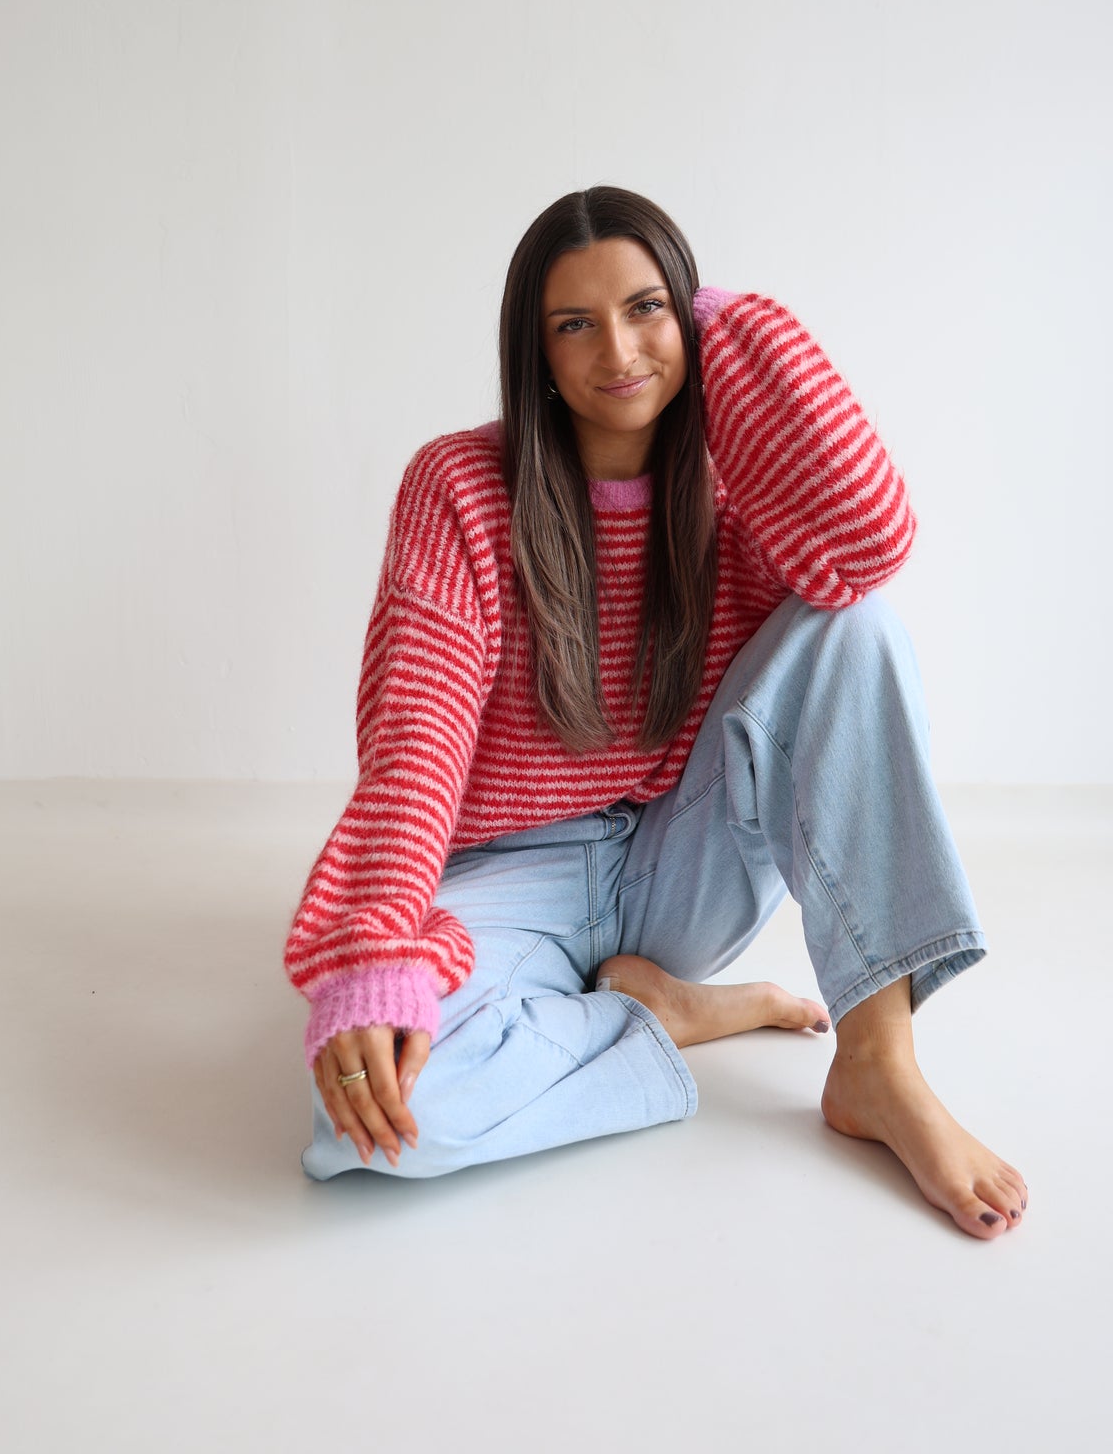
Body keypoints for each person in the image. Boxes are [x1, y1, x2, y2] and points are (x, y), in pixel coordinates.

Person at [283, 184, 1027, 1239]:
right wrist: (373, 953)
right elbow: (417, 735)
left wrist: (727, 325)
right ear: (536, 352)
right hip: (510, 879)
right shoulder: (458, 487)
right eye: (574, 324)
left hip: (684, 864)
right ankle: (663, 1014)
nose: (619, 352)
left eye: (647, 309)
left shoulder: (740, 485)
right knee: (377, 1123)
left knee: (855, 627)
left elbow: (867, 548)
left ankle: (878, 1063)